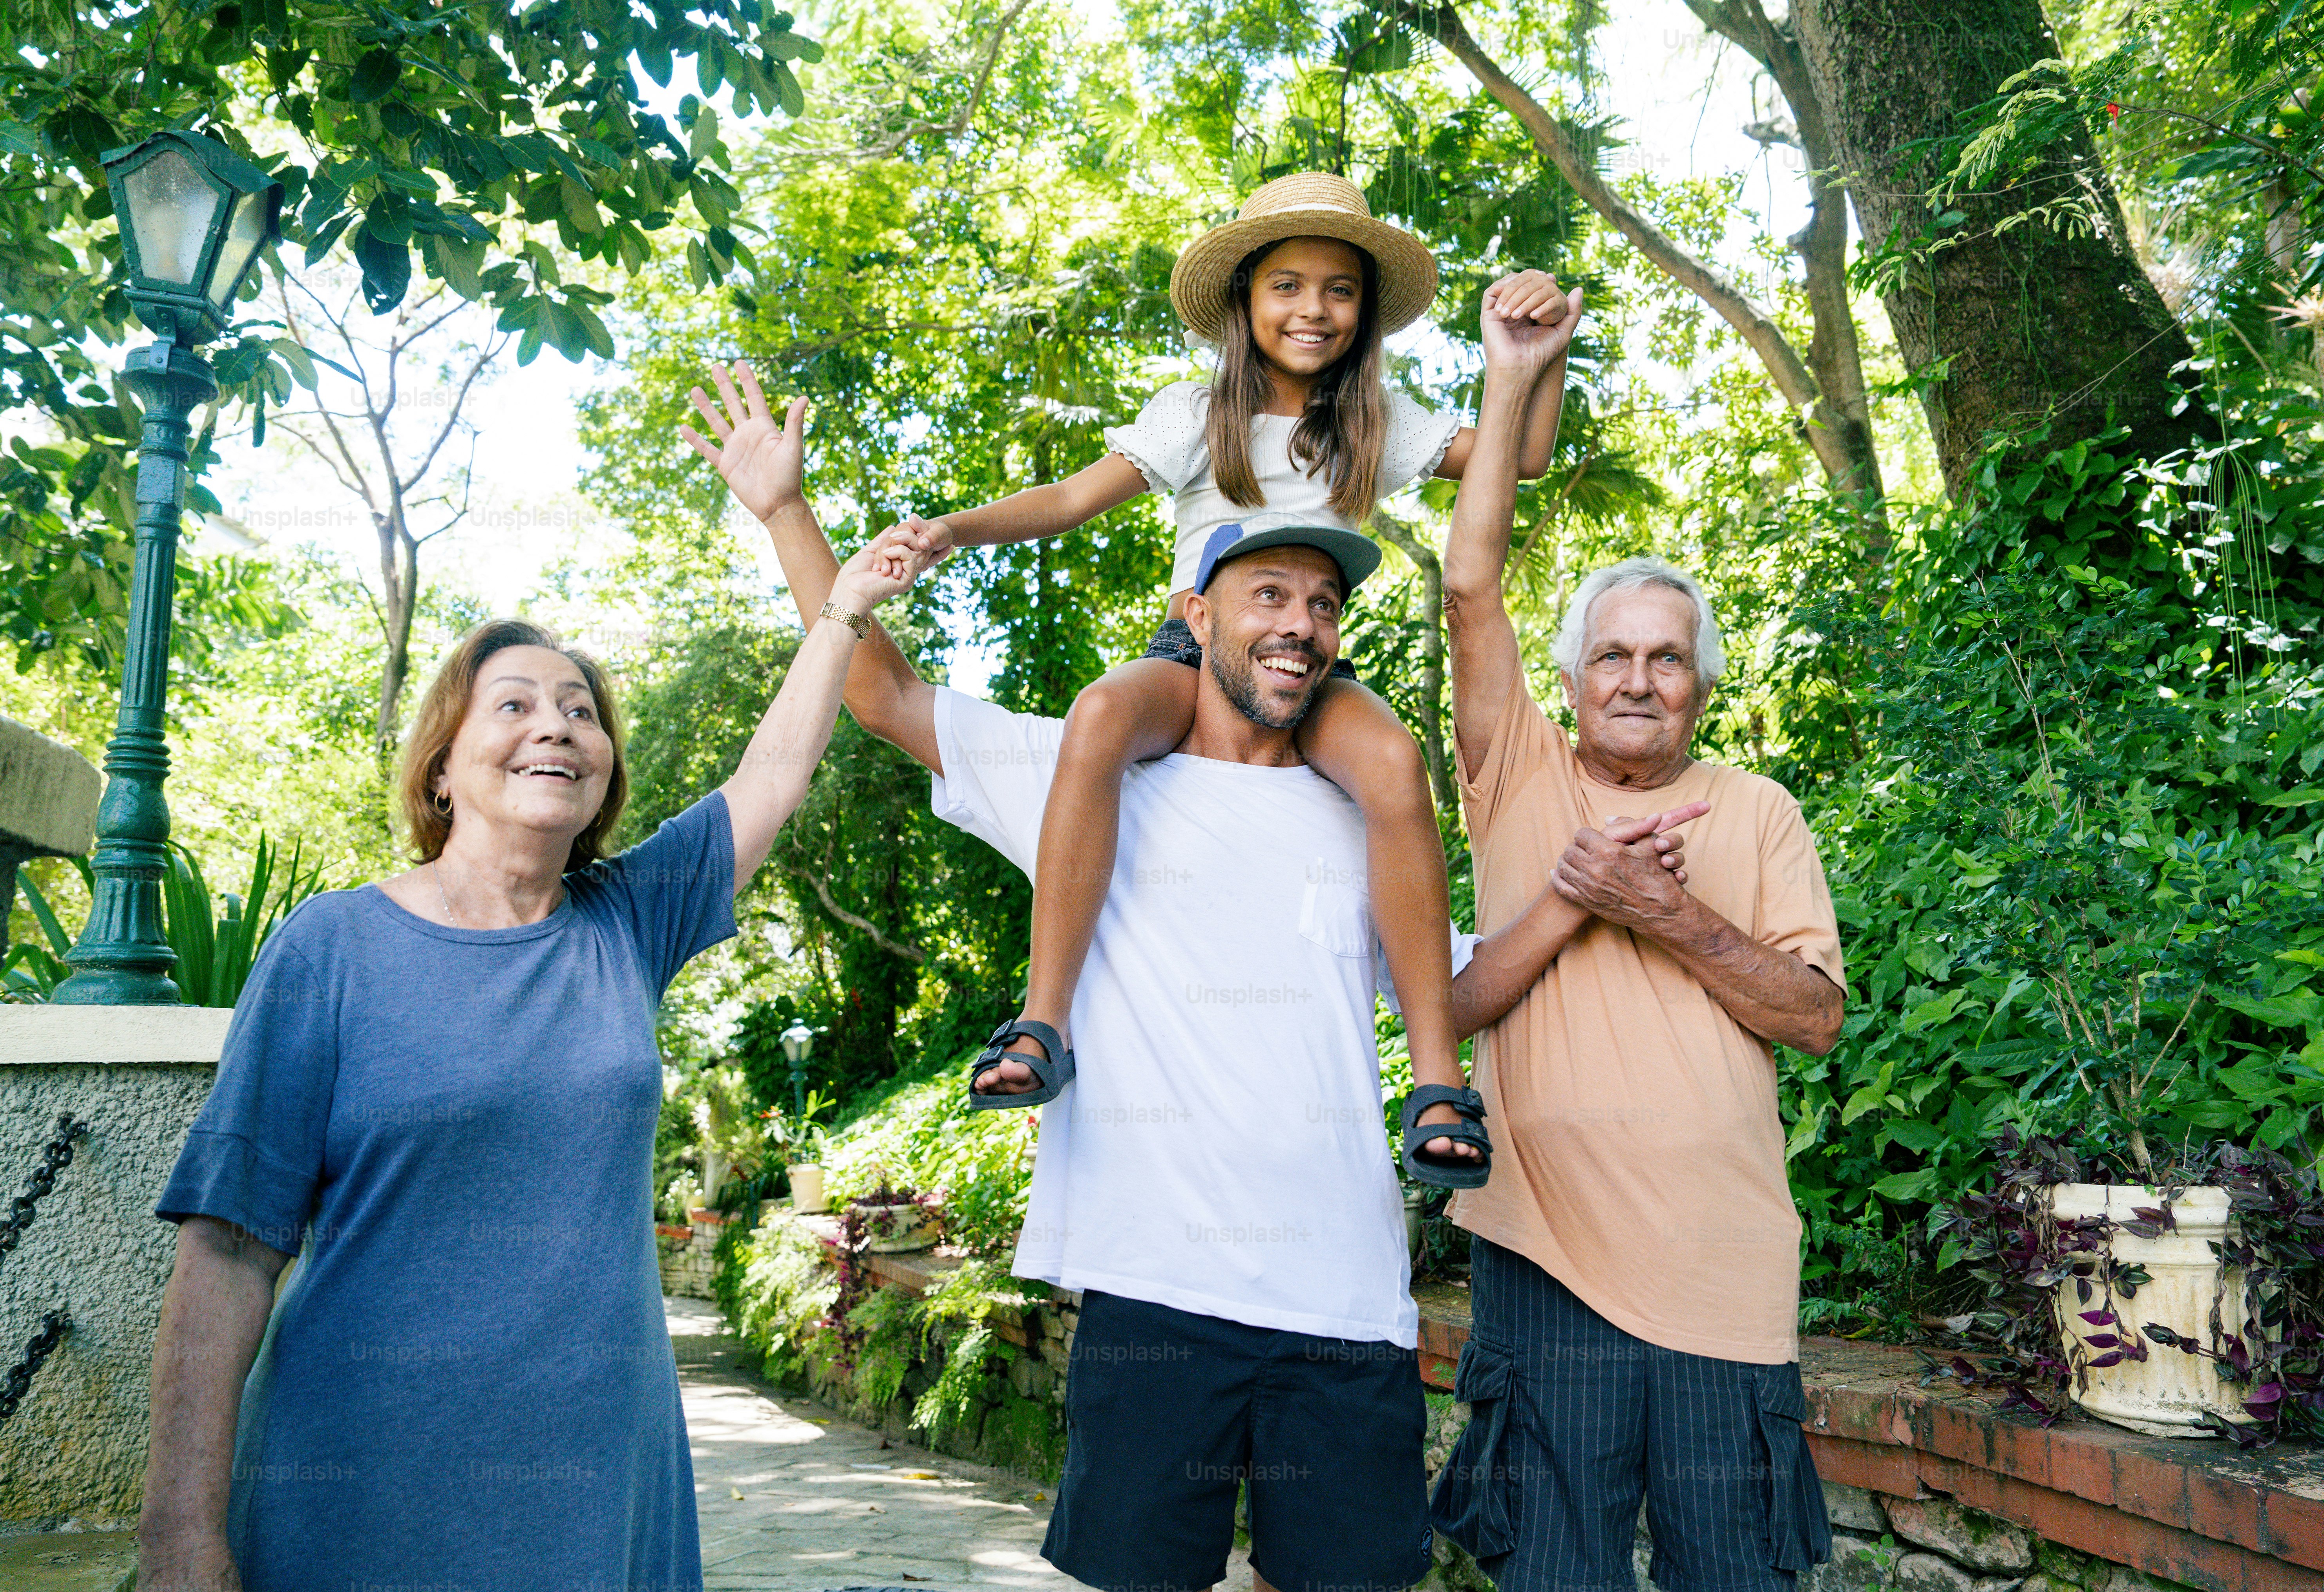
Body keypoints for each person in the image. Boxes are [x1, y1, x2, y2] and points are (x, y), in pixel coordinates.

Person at [682, 360, 1689, 1592]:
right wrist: (787, 513)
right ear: (1195, 614)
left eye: (1323, 605)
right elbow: (882, 694)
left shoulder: (1363, 810)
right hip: (1156, 1295)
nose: (1300, 624)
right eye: (1268, 593)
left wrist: (1579, 896)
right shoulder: (1082, 779)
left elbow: (1454, 992)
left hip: (1340, 1297)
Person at [133, 532, 936, 1591]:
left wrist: (838, 610)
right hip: (357, 1482)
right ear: (441, 763)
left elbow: (774, 773)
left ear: (601, 769)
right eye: (513, 704)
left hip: (596, 1480)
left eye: (581, 710)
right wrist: (179, 1538)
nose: (556, 723)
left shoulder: (626, 922)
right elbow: (229, 1249)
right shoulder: (330, 947)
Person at [875, 172, 1575, 1184]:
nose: (1313, 309)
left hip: (1310, 664)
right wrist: (953, 528)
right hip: (1196, 657)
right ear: (1246, 301)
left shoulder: (1379, 421)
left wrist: (1539, 357)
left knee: (1390, 761)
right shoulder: (1199, 412)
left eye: (1339, 290)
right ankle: (1043, 1018)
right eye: (1287, 285)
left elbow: (1528, 455)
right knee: (1102, 714)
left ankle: (1433, 1079)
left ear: (1364, 312)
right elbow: (1074, 499)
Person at [1430, 281, 1843, 1590]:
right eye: (1610, 656)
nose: (1636, 680)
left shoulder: (1758, 809)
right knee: (1558, 1579)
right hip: (1547, 1272)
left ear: (1702, 685)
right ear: (1566, 679)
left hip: (1725, 1275)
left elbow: (1812, 1018)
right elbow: (1467, 579)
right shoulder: (1515, 774)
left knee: (1736, 1578)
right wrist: (1512, 379)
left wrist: (1663, 912)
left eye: (1666, 660)